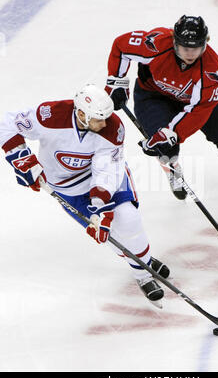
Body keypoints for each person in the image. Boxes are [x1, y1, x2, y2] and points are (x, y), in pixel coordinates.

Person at [0, 84, 169, 308]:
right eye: (99, 119)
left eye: (106, 117)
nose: (105, 123)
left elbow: (106, 168)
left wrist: (101, 205)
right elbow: (7, 123)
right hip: (66, 188)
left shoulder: (112, 128)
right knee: (106, 234)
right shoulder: (50, 115)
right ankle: (141, 260)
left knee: (127, 218)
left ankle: (143, 275)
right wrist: (19, 156)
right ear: (81, 114)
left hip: (104, 178)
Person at [105, 15, 218, 200]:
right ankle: (172, 169)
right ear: (174, 41)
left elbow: (200, 110)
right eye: (185, 47)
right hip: (153, 97)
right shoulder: (155, 44)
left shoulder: (211, 69)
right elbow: (121, 46)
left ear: (205, 43)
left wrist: (173, 133)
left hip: (198, 104)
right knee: (164, 147)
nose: (190, 53)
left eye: (196, 48)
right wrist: (117, 83)